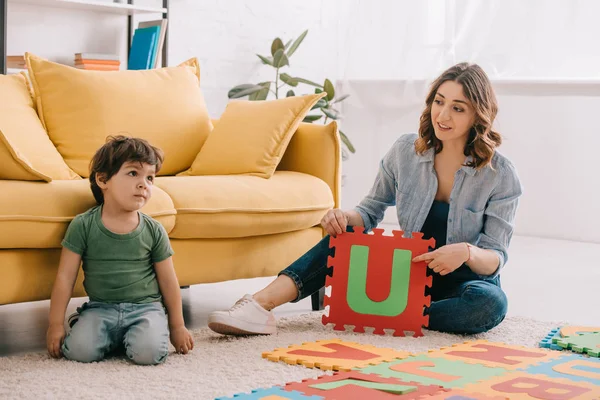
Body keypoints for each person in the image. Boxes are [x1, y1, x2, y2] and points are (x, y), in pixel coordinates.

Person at [207, 62, 523, 336]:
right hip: (408, 276)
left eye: (458, 107)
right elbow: (370, 212)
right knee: (342, 237)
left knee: (492, 304)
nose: (443, 114)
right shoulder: (406, 152)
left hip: (462, 289)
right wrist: (344, 218)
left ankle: (389, 313)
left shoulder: (500, 174)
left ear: (477, 115)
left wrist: (466, 252)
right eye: (439, 102)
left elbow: (495, 256)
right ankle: (259, 306)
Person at [46, 136, 194, 364]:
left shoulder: (154, 230)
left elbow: (168, 280)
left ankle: (145, 330)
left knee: (149, 355)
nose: (144, 183)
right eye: (133, 173)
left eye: (150, 177)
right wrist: (55, 325)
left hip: (146, 308)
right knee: (78, 352)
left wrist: (178, 326)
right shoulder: (82, 225)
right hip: (100, 308)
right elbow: (65, 277)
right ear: (103, 179)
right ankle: (94, 327)